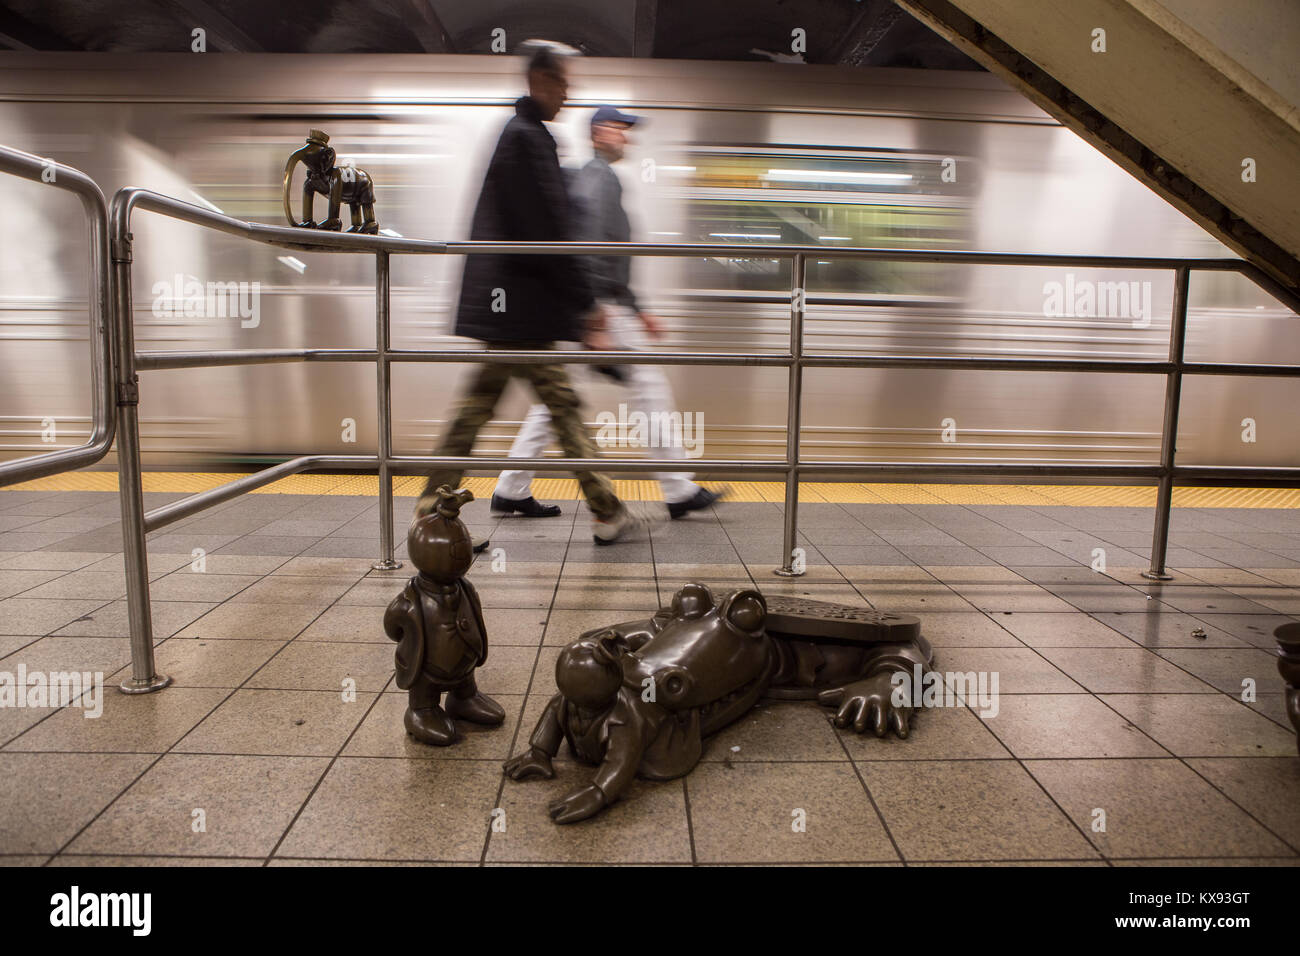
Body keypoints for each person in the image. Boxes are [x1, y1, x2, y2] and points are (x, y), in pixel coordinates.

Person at [415, 43, 642, 545]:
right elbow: (547, 230)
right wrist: (586, 305)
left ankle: (432, 514)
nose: (567, 93)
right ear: (539, 80)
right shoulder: (527, 138)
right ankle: (606, 509)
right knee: (557, 405)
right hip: (518, 305)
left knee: (487, 407)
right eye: (561, 83)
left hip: (511, 304)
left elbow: (544, 226)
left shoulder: (523, 135)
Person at [492, 106, 724, 520]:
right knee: (647, 383)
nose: (628, 138)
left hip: (596, 308)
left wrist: (639, 309)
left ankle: (510, 487)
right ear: (600, 132)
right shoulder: (600, 178)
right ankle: (677, 489)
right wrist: (594, 314)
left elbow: (608, 255)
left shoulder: (597, 178)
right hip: (597, 312)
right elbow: (592, 247)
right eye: (621, 129)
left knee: (555, 400)